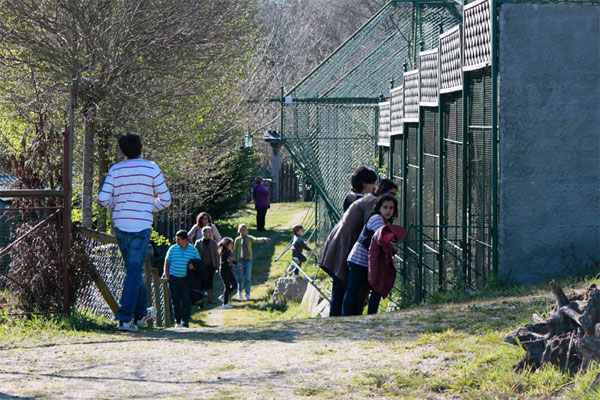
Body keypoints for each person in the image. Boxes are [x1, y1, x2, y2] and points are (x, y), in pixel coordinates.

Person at [98, 131, 171, 332]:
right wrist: (147, 207)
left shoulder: (115, 170)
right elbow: (165, 200)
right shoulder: (152, 168)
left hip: (121, 224)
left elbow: (103, 199)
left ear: (122, 151)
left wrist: (119, 205)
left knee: (133, 270)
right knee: (133, 270)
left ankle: (140, 314)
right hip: (141, 225)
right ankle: (125, 317)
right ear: (141, 147)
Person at [318, 179, 398, 317]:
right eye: (391, 193)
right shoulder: (374, 207)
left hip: (350, 245)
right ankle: (345, 317)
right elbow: (377, 234)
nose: (393, 198)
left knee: (345, 286)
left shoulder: (372, 203)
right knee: (349, 287)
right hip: (349, 245)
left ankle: (343, 317)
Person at [342, 194, 398, 316]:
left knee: (373, 290)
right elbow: (383, 239)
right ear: (379, 208)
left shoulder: (385, 221)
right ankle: (346, 317)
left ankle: (369, 315)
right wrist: (392, 246)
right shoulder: (377, 218)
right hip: (358, 260)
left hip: (369, 262)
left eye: (391, 208)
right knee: (353, 290)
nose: (388, 210)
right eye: (385, 207)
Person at [163, 230, 200, 328]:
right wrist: (168, 277)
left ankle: (185, 321)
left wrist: (194, 267)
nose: (176, 241)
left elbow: (199, 263)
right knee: (175, 300)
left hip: (186, 279)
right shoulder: (172, 249)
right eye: (176, 239)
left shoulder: (193, 250)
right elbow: (167, 263)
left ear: (185, 240)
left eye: (179, 239)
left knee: (186, 300)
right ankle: (178, 321)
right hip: (174, 278)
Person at [233, 223, 271, 300]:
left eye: (245, 230)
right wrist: (235, 262)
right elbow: (235, 250)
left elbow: (256, 239)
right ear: (239, 231)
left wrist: (263, 239)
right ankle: (239, 292)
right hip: (240, 260)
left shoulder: (249, 238)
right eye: (242, 230)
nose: (244, 231)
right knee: (240, 277)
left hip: (248, 260)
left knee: (247, 277)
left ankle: (247, 294)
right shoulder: (237, 240)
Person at [194, 226, 219, 304]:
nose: (210, 234)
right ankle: (200, 300)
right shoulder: (198, 243)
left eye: (211, 232)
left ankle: (210, 299)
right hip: (201, 266)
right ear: (203, 233)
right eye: (208, 232)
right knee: (201, 282)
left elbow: (216, 255)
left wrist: (217, 266)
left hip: (211, 265)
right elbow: (195, 254)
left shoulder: (213, 243)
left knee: (210, 282)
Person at [218, 237, 239, 309]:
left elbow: (231, 261)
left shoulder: (229, 252)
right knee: (226, 286)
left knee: (234, 285)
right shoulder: (224, 253)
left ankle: (223, 297)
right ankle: (225, 304)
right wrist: (228, 260)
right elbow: (223, 263)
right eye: (231, 244)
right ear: (226, 245)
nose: (232, 246)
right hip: (224, 272)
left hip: (229, 271)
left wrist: (237, 264)